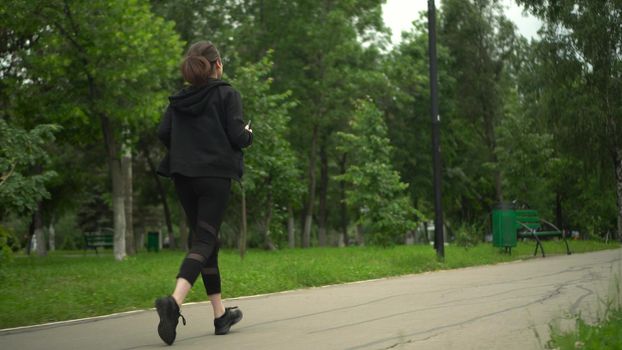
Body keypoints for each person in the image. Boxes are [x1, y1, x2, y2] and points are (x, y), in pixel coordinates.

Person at [154, 40, 253, 346]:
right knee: (205, 240)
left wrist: (188, 150)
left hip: (183, 176)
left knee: (207, 240)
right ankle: (174, 301)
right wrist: (248, 133)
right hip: (214, 177)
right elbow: (238, 136)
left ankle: (221, 315)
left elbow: (163, 133)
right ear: (217, 64)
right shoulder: (227, 93)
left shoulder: (179, 100)